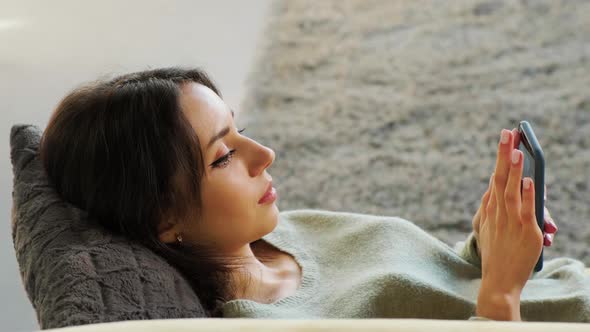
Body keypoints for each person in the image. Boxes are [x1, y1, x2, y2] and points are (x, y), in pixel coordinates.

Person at [40, 67, 586, 322]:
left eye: (240, 129)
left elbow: (429, 289)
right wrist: (500, 296)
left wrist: (490, 246)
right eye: (223, 156)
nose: (264, 153)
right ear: (163, 219)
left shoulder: (284, 230)